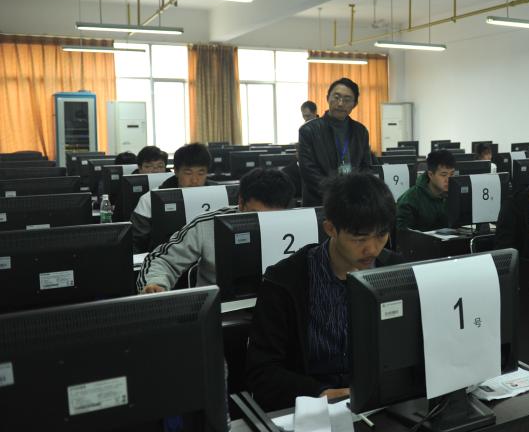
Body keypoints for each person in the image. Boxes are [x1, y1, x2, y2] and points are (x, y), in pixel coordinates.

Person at [246, 173, 399, 411]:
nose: (372, 249)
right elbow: (262, 372)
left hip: (381, 403)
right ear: (330, 229)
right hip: (312, 407)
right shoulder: (285, 281)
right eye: (359, 239)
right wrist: (318, 393)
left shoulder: (396, 272)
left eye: (381, 235)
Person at [138, 168, 294, 293]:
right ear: (241, 203)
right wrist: (155, 283)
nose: (264, 224)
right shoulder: (208, 224)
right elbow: (163, 260)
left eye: (272, 217)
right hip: (220, 311)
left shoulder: (297, 223)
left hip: (278, 309)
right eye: (256, 215)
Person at [298, 78, 374, 206]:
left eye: (347, 99)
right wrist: (337, 195)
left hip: (353, 202)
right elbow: (308, 171)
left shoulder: (360, 131)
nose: (340, 103)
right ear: (328, 98)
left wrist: (357, 192)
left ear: (355, 104)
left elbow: (366, 167)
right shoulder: (308, 130)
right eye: (336, 97)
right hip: (320, 201)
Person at [130, 143, 214, 252]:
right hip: (163, 258)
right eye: (188, 173)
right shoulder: (149, 200)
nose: (195, 180)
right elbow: (135, 243)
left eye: (201, 173)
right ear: (176, 171)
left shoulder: (221, 195)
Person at [396, 149, 455, 231]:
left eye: (452, 174)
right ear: (430, 175)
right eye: (443, 175)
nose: (449, 179)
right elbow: (402, 233)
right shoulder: (410, 199)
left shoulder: (455, 195)